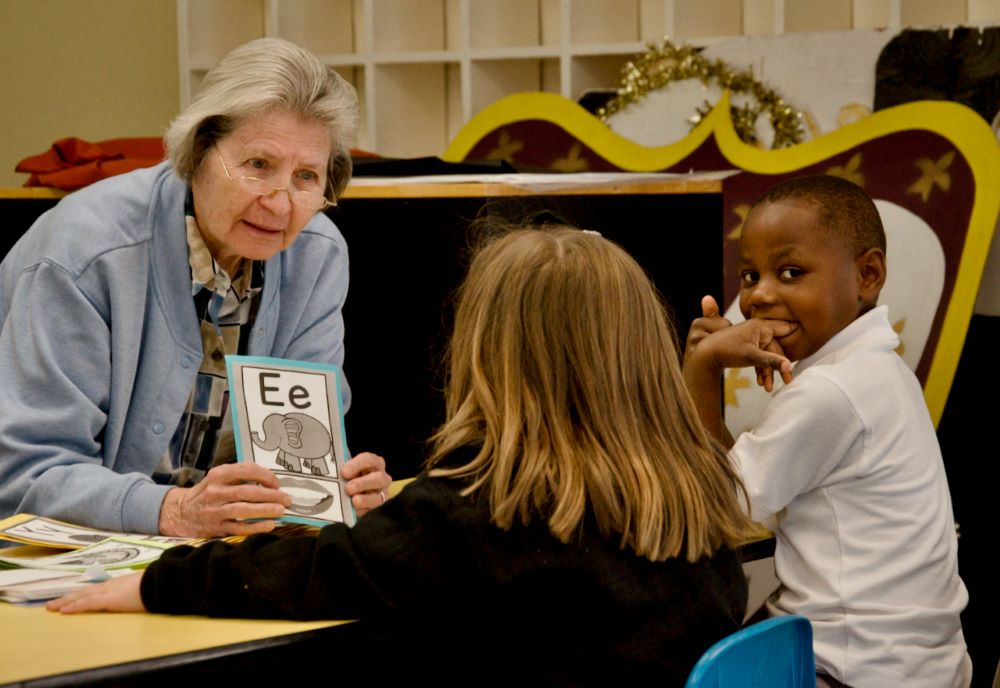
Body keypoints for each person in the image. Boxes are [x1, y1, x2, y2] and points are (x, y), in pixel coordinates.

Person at [50, 227, 752, 685]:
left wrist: (153, 584)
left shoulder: (474, 514)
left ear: (489, 351)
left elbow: (308, 571)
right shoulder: (697, 487)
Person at [0, 38, 390, 538]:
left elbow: (295, 456)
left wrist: (334, 486)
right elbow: (24, 477)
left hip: (214, 555)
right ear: (199, 151)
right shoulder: (86, 253)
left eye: (307, 177)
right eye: (258, 166)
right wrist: (175, 510)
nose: (280, 204)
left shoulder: (315, 253)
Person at [682, 175, 970, 687]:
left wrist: (702, 373)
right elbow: (747, 495)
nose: (759, 295)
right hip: (918, 664)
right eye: (749, 276)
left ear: (868, 274)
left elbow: (716, 507)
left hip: (852, 670)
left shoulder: (831, 392)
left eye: (791, 272)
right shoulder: (878, 369)